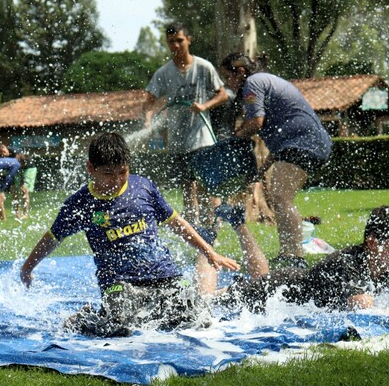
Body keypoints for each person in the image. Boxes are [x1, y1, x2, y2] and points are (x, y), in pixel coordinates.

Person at [20, 132, 240, 337]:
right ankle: (84, 319)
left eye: (122, 172)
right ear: (91, 168)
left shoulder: (143, 187)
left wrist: (209, 252)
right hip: (119, 282)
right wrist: (28, 267)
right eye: (108, 174)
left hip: (164, 276)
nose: (116, 181)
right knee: (118, 326)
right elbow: (52, 238)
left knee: (198, 319)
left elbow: (176, 223)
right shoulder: (80, 204)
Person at [215, 204, 389, 313]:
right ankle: (218, 233)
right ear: (372, 241)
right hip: (274, 291)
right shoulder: (347, 263)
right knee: (216, 299)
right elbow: (363, 306)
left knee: (257, 276)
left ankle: (237, 221)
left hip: (284, 284)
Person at [220, 53, 333, 269]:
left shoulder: (253, 83)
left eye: (228, 76)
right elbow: (277, 143)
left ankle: (293, 256)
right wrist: (261, 171)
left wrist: (233, 140)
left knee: (281, 196)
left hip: (304, 141)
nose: (228, 83)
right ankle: (289, 254)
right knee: (280, 195)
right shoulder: (262, 81)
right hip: (302, 142)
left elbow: (255, 122)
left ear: (240, 72)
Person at [141, 22, 229, 293]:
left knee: (206, 186)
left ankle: (212, 229)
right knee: (187, 189)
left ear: (188, 40)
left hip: (202, 137)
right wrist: (148, 118)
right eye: (171, 42)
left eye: (179, 40)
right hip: (178, 142)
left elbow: (223, 94)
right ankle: (196, 238)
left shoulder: (203, 67)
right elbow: (149, 99)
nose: (176, 46)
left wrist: (204, 105)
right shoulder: (164, 72)